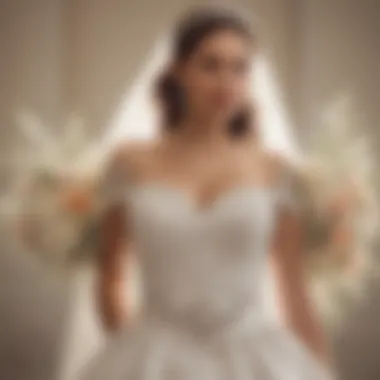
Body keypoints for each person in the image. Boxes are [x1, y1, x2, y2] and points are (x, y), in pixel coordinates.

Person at [81, 7, 333, 379]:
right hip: (152, 355)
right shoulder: (130, 164)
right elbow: (109, 279)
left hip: (255, 358)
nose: (225, 82)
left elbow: (295, 293)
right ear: (179, 70)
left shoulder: (274, 170)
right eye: (210, 65)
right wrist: (136, 357)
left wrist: (322, 367)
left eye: (239, 68)